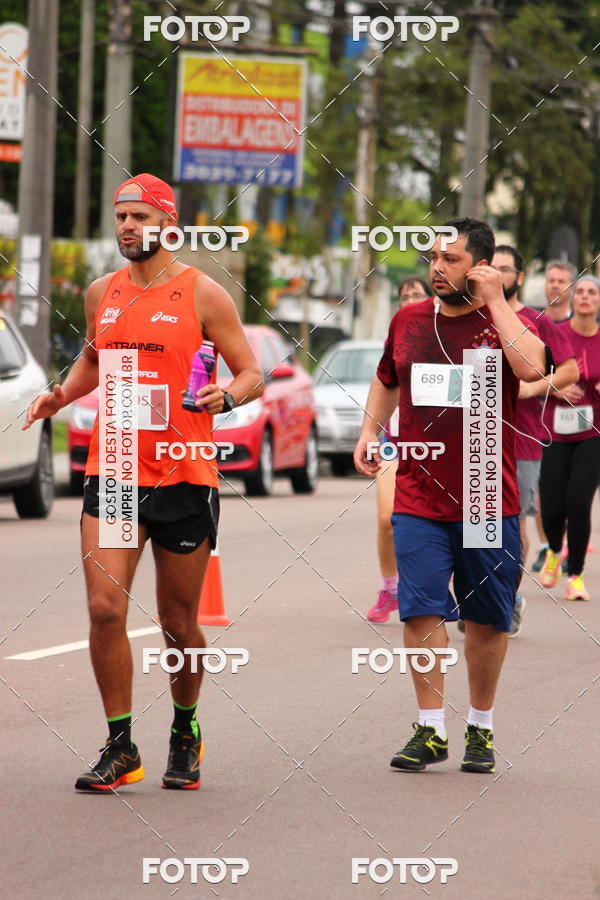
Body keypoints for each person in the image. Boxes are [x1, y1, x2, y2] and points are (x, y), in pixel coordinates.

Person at [23, 174, 263, 792]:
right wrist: (60, 395)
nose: (127, 227)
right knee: (105, 608)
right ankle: (120, 745)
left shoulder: (204, 294)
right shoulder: (102, 291)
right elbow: (93, 359)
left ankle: (185, 728)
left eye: (138, 217)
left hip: (184, 472)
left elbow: (251, 372)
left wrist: (226, 396)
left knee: (178, 622)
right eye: (120, 217)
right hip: (117, 468)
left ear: (166, 224)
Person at [354, 218, 545, 774]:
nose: (437, 269)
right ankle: (430, 728)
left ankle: (480, 729)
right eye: (432, 259)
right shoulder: (409, 319)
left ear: (481, 266)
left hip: (488, 495)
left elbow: (534, 368)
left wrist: (498, 300)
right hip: (419, 492)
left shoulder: (506, 323)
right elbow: (389, 377)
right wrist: (371, 430)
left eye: (452, 260)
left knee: (487, 620)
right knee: (421, 608)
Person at [491, 245, 578, 635]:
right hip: (475, 440)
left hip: (522, 441)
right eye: (491, 268)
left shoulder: (535, 320)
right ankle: (481, 596)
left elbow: (570, 370)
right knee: (474, 524)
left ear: (520, 278)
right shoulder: (474, 316)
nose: (497, 274)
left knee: (514, 525)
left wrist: (530, 389)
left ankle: (508, 598)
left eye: (505, 269)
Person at [367, 276, 431, 623]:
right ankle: (390, 588)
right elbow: (382, 384)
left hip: (434, 444)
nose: (409, 299)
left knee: (436, 519)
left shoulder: (441, 335)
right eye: (404, 295)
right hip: (392, 442)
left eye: (416, 294)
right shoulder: (395, 337)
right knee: (385, 519)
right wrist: (369, 432)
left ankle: (438, 583)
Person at [539, 275, 600, 600]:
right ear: (573, 299)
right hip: (555, 430)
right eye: (581, 292)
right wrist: (556, 385)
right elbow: (535, 373)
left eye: (593, 292)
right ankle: (552, 547)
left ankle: (574, 574)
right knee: (550, 505)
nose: (586, 297)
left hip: (594, 432)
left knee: (579, 500)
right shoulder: (556, 334)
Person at [529, 258, 580, 570]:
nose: (555, 286)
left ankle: (570, 547)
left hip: (583, 424)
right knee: (542, 490)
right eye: (551, 280)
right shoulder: (533, 324)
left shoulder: (584, 324)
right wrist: (554, 388)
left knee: (574, 492)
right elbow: (528, 374)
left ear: (571, 287)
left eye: (562, 281)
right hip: (542, 420)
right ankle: (549, 546)